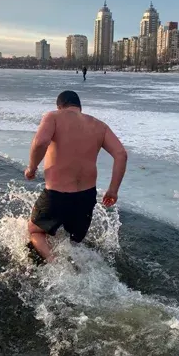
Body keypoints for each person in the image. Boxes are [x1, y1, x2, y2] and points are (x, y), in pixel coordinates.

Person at [25, 90, 127, 263]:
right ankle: (76, 266)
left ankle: (55, 263)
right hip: (86, 196)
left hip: (57, 195)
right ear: (80, 107)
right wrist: (113, 190)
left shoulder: (53, 117)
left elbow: (41, 142)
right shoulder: (100, 125)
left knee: (35, 230)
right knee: (74, 240)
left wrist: (32, 168)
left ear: (60, 106)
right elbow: (121, 155)